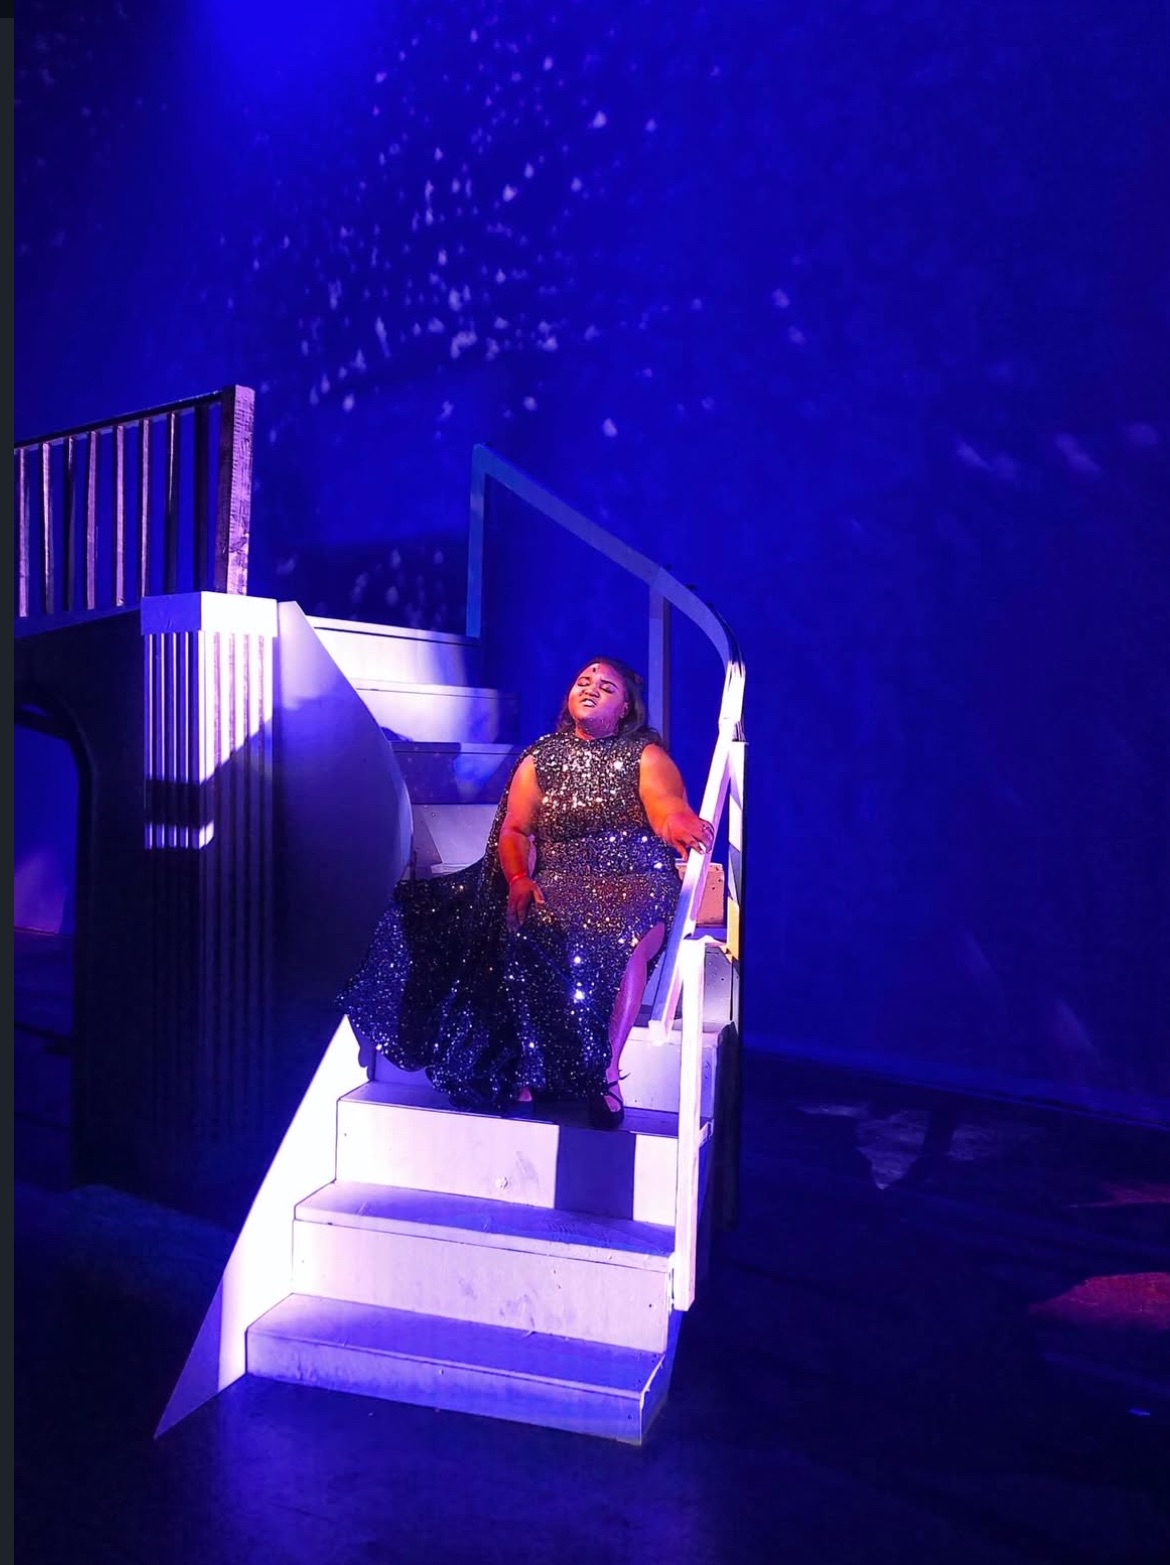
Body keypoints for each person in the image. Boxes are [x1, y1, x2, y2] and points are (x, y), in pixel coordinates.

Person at [339, 656, 714, 1128]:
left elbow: (666, 806)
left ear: (625, 709)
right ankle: (535, 1064)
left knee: (622, 938)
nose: (591, 688)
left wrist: (678, 822)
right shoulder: (541, 758)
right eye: (583, 681)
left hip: (634, 875)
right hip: (561, 875)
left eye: (606, 687)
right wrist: (518, 879)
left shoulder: (644, 756)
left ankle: (605, 1072)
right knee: (523, 930)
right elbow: (515, 830)